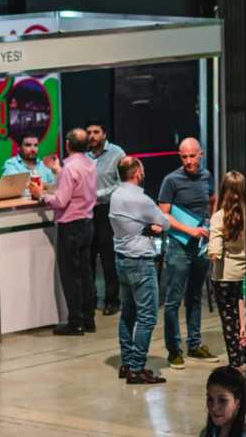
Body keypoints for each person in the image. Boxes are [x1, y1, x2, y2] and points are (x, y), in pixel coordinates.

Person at [158, 137, 220, 369]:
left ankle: (194, 344)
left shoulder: (207, 176)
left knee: (195, 297)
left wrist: (210, 225)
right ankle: (174, 350)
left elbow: (212, 201)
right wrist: (189, 230)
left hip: (200, 245)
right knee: (173, 300)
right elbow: (163, 214)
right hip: (179, 245)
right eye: (184, 157)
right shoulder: (171, 180)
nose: (188, 161)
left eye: (192, 156)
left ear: (200, 154)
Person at [28, 128, 97, 336]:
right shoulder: (90, 164)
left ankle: (74, 322)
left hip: (71, 226)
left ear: (68, 144)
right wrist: (58, 171)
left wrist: (41, 195)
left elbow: (60, 201)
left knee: (70, 275)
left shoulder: (70, 168)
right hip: (87, 223)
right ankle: (88, 318)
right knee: (85, 273)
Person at [108, 157, 169, 384]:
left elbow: (133, 224)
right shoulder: (141, 199)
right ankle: (136, 368)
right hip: (141, 263)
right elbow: (165, 221)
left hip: (122, 260)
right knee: (147, 317)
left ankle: (127, 363)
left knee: (128, 314)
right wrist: (152, 227)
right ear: (138, 173)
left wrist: (145, 228)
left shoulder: (116, 195)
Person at [86, 120, 127, 317]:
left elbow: (122, 183)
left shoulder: (117, 153)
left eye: (96, 132)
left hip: (107, 210)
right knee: (89, 258)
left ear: (104, 134)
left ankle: (112, 300)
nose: (92, 136)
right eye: (89, 132)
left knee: (108, 258)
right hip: (87, 212)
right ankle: (90, 299)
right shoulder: (83, 155)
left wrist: (98, 194)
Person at [208, 171, 246, 370]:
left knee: (230, 323)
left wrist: (213, 253)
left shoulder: (218, 217)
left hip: (224, 277)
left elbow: (215, 245)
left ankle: (236, 362)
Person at [200, 366, 246, 437]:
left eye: (222, 400)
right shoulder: (206, 433)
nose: (214, 408)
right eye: (210, 399)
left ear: (238, 401)